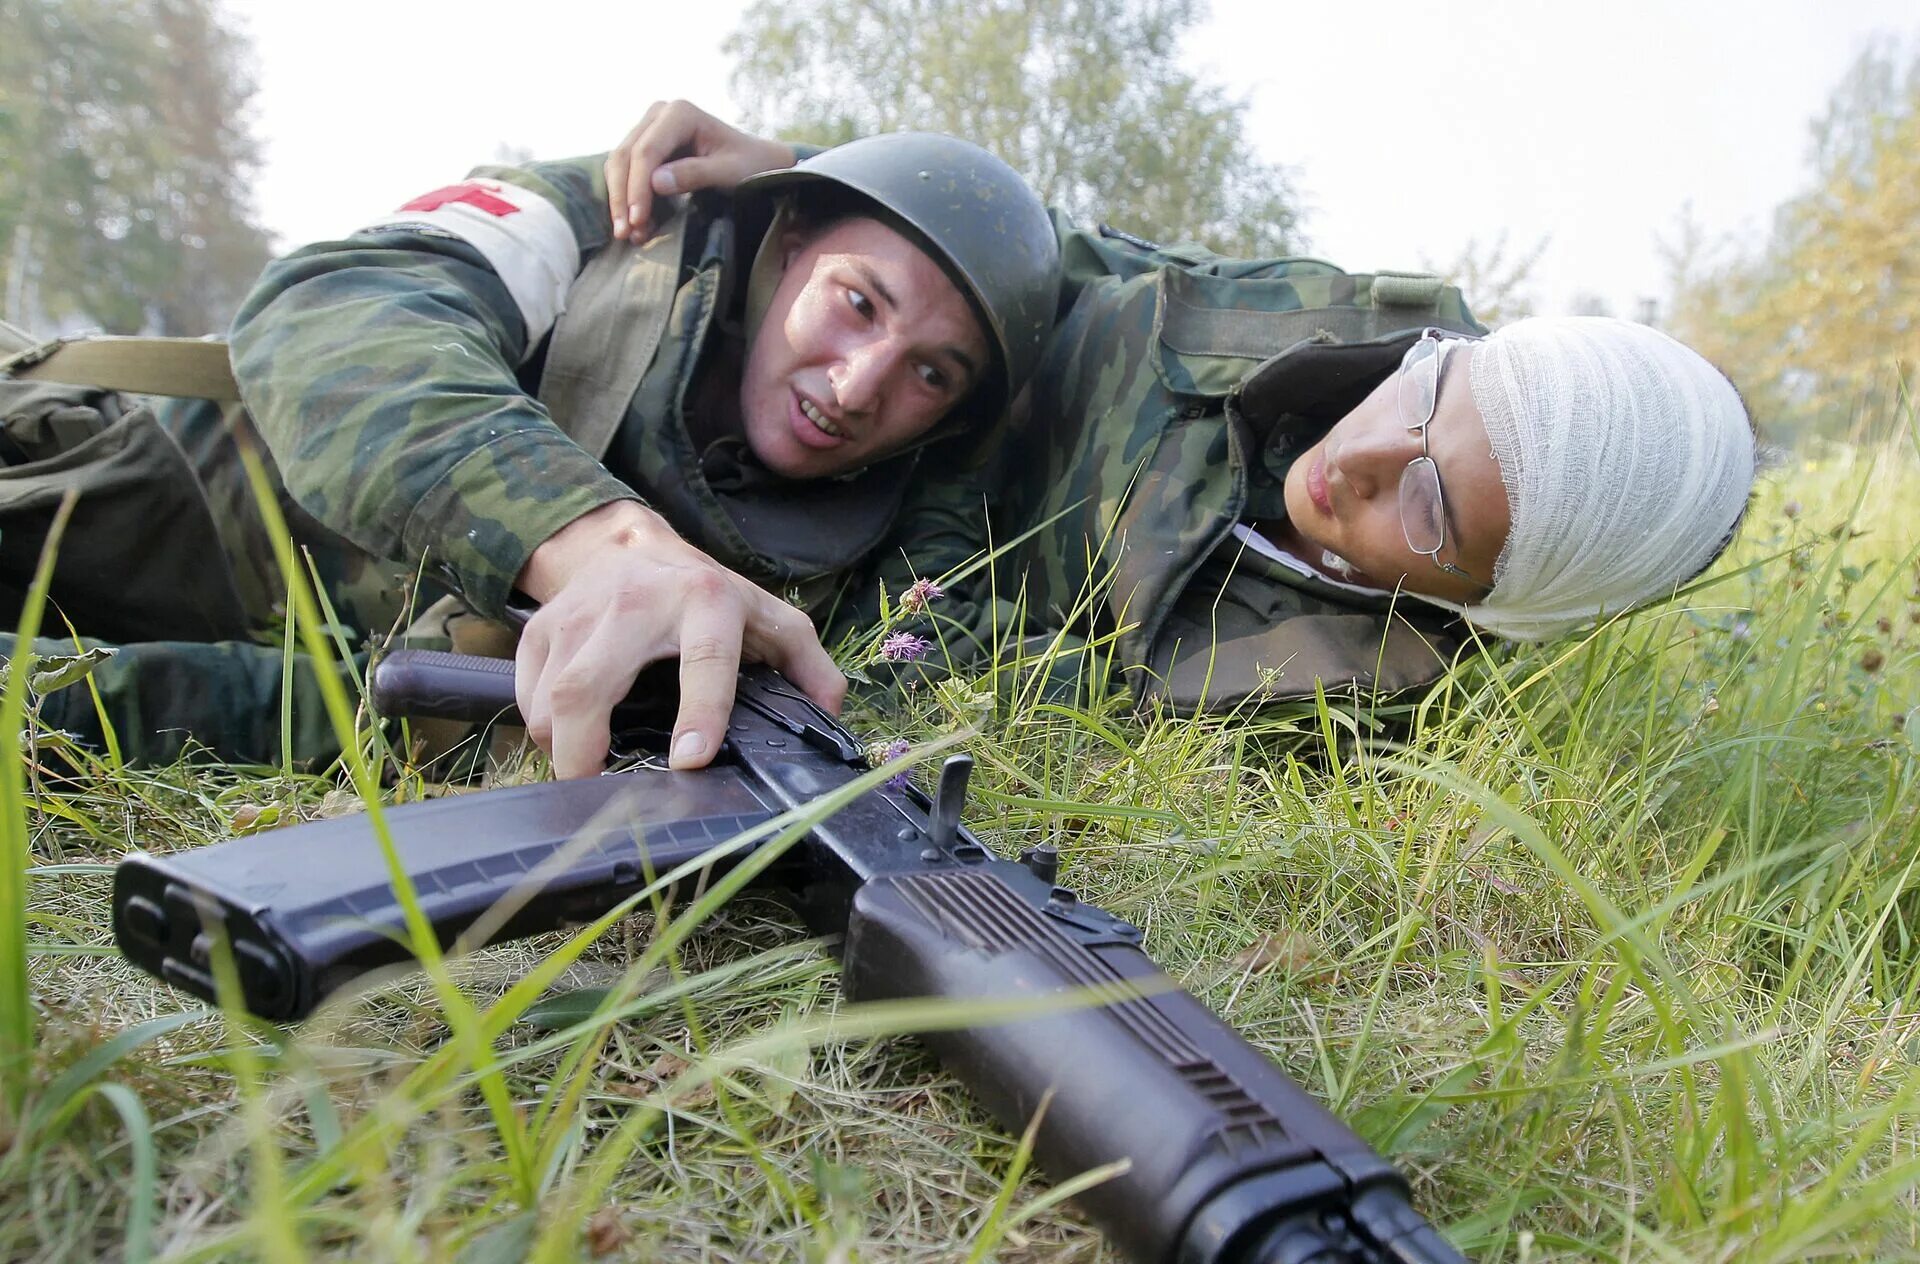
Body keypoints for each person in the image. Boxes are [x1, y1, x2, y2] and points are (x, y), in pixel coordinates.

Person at [600, 104, 1757, 714]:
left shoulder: (1357, 696)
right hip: (910, 388)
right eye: (1428, 392)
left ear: (1498, 603)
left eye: (1429, 502)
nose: (1363, 452)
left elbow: (988, 689)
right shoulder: (1362, 325)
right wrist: (838, 178)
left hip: (855, 565)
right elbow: (1089, 264)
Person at [0, 124, 1061, 776]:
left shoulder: (907, 561)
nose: (858, 383)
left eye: (932, 372)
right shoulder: (617, 222)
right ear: (786, 248)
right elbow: (338, 311)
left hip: (309, 684)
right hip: (148, 483)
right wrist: (600, 547)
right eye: (856, 302)